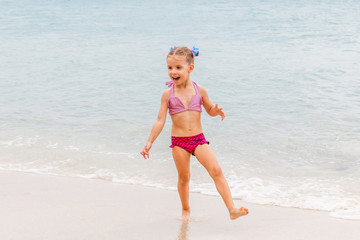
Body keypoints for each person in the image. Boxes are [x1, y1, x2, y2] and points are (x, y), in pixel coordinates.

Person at [140, 46, 249, 221]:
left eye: (178, 68)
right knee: (184, 178)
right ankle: (185, 210)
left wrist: (216, 111)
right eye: (170, 68)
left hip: (198, 140)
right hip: (179, 143)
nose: (173, 72)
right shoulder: (167, 95)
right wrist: (149, 142)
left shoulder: (200, 90)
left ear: (190, 68)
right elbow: (160, 120)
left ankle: (231, 209)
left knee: (216, 170)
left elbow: (209, 110)